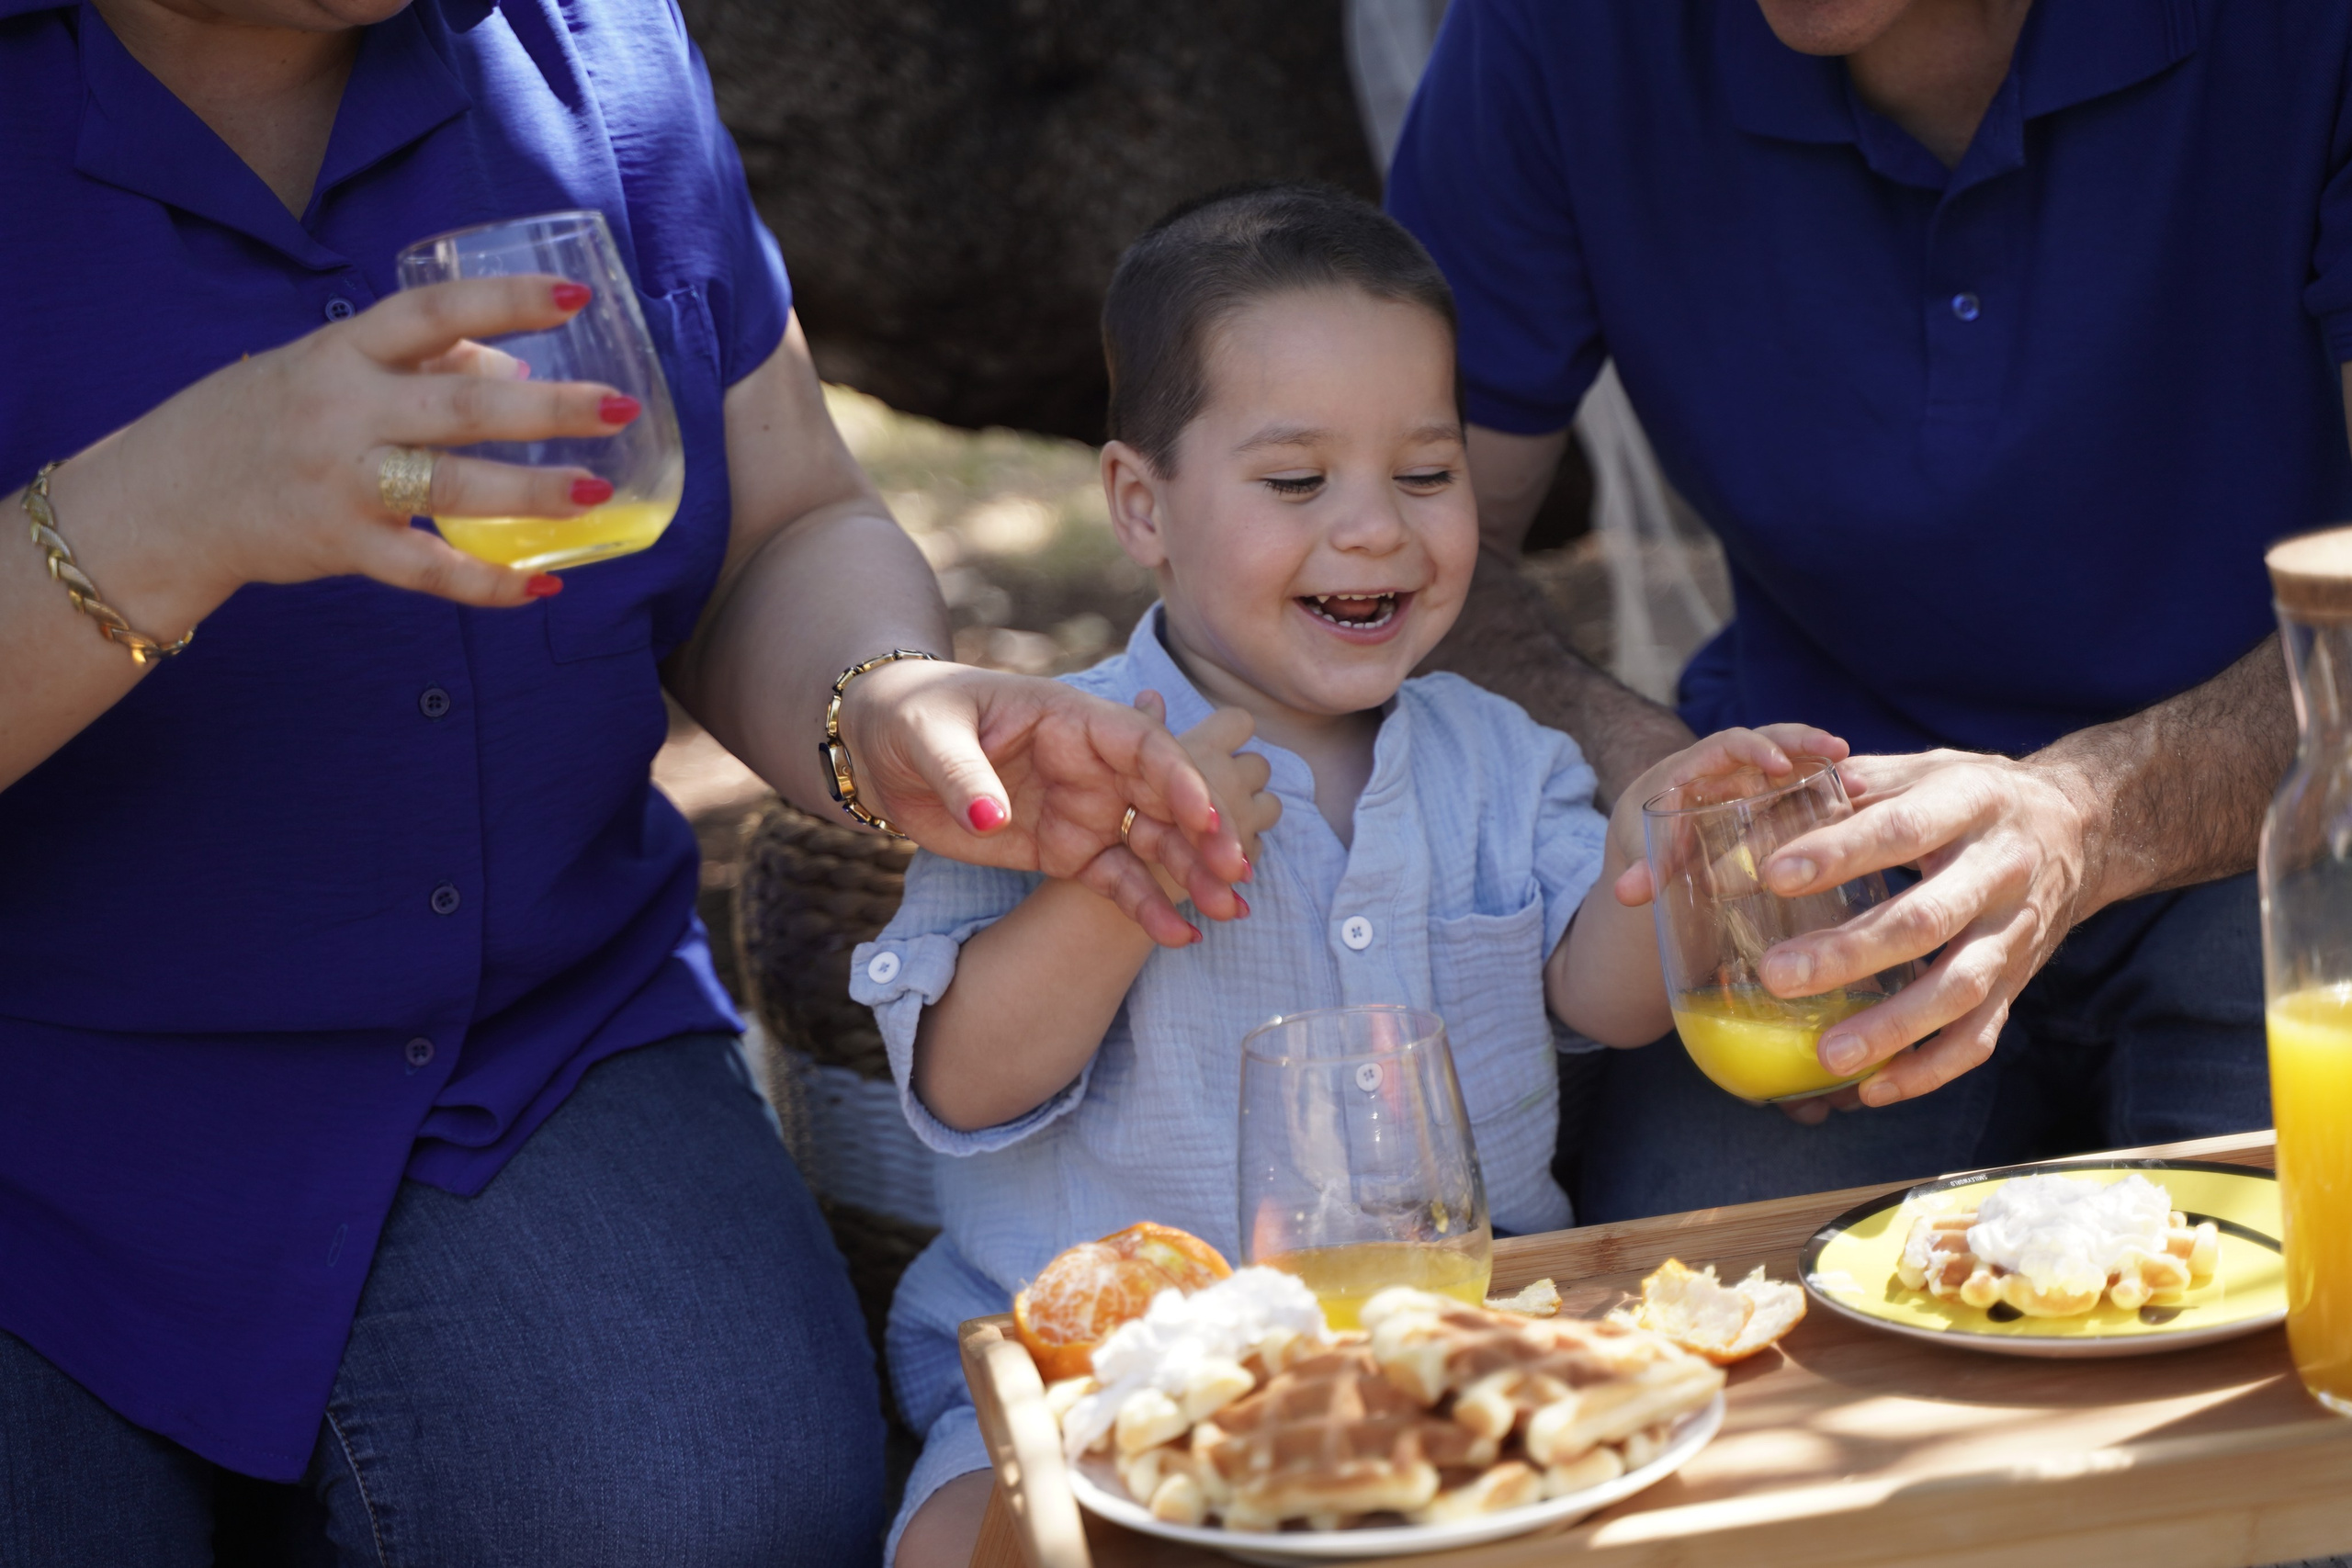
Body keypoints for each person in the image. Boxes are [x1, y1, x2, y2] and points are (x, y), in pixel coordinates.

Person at [0, 0, 1250, 1559]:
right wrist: (162, 514)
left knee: (718, 1515)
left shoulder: (587, 47)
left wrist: (878, 700)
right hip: (34, 1122)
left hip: (519, 1051)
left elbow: (783, 516)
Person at [861, 182, 1845, 1568]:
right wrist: (1116, 885)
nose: (1378, 529)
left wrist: (1665, 845)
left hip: (1452, 1348)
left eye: (1426, 475)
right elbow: (967, 1082)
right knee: (968, 1544)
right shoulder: (1049, 770)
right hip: (1104, 1376)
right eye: (1297, 481)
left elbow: (1609, 1000)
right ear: (1142, 505)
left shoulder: (1502, 757)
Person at [1386, 0, 2352, 1221]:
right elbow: (1402, 568)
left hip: (2288, 814)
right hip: (1823, 859)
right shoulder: (1555, 32)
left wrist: (2081, 821)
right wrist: (1676, 802)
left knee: (2287, 1308)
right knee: (1706, 1311)